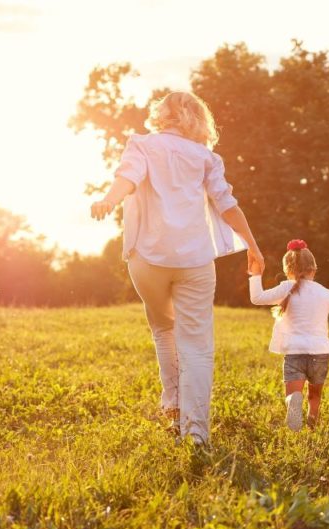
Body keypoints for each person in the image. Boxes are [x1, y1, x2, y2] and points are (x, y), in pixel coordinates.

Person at [90, 91, 264, 446]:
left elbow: (128, 177)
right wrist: (253, 245)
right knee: (197, 345)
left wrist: (109, 200)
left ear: (161, 115)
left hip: (148, 258)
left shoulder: (142, 144)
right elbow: (226, 204)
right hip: (195, 260)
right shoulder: (206, 157)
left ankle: (173, 406)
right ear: (198, 120)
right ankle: (196, 432)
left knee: (163, 328)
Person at [248, 240, 329, 431]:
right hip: (319, 353)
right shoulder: (324, 293)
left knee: (293, 394)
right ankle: (312, 423)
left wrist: (255, 274)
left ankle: (293, 404)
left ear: (287, 269)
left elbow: (257, 298)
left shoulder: (284, 289)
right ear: (313, 268)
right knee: (315, 396)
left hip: (295, 351)